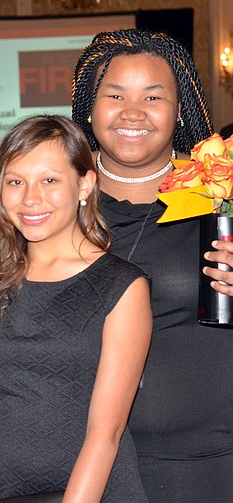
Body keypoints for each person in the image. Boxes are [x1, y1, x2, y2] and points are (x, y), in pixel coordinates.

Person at [0, 115, 152, 502]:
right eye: (15, 181)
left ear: (84, 184)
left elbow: (104, 432)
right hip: (1, 492)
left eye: (49, 180)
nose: (30, 198)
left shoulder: (123, 286)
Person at [72, 28, 233, 502]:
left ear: (180, 109)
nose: (133, 112)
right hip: (79, 466)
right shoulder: (48, 199)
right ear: (88, 106)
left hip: (207, 467)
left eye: (153, 96)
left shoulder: (220, 195)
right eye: (115, 94)